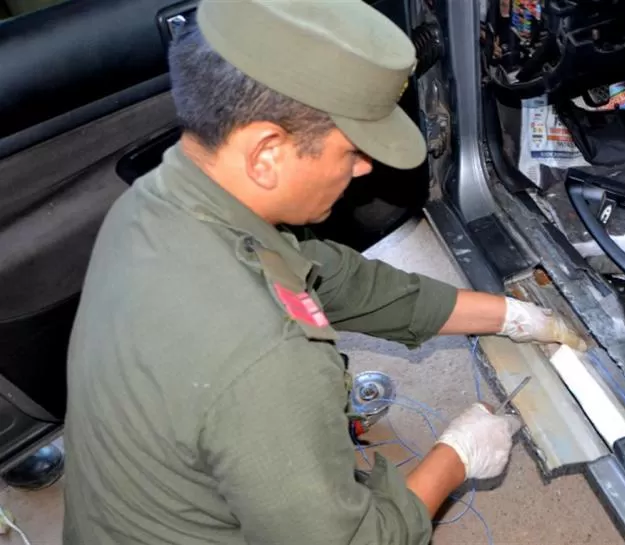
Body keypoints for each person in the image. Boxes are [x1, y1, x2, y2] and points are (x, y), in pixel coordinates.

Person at [62, 1, 585, 544]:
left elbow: (329, 278)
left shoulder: (157, 201)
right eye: (353, 150)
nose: (363, 169)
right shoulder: (269, 362)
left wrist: (507, 315)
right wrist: (456, 456)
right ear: (266, 153)